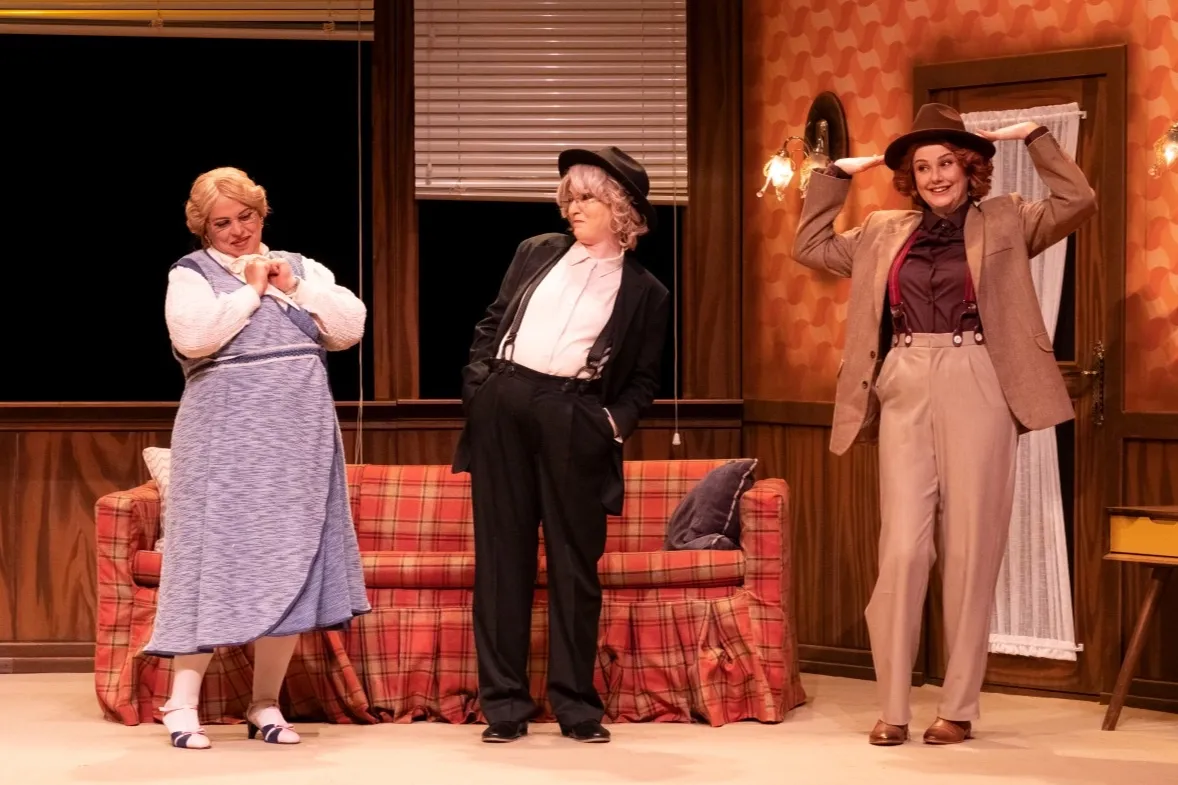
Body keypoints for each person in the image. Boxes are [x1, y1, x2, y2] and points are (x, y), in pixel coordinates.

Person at [792, 104, 1096, 745]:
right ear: (910, 177)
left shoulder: (1009, 217)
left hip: (979, 374)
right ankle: (893, 707)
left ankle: (957, 707)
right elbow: (810, 246)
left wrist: (1035, 138)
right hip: (903, 378)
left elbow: (1078, 201)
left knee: (969, 550)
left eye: (947, 163)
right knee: (901, 550)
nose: (935, 176)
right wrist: (834, 175)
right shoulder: (883, 229)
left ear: (970, 167)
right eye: (923, 166)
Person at [144, 167, 371, 749]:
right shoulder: (190, 275)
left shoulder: (300, 267)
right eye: (222, 223)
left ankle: (265, 703)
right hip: (224, 444)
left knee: (290, 559)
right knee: (209, 563)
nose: (237, 230)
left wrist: (294, 287)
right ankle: (180, 704)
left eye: (245, 217)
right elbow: (194, 338)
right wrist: (250, 290)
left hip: (299, 441)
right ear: (204, 228)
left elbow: (350, 327)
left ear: (261, 213)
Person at [452, 147, 669, 744]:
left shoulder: (646, 291)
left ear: (620, 210)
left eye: (587, 198)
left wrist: (610, 425)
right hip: (504, 404)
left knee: (574, 567)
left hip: (574, 417)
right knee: (503, 562)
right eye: (569, 197)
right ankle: (504, 706)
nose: (572, 207)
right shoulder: (536, 251)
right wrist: (479, 386)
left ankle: (576, 706)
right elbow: (492, 321)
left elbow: (644, 380)